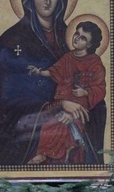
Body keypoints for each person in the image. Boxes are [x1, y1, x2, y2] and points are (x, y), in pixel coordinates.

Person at [0, 0, 107, 165]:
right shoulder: (11, 41)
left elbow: (92, 83)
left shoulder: (71, 37)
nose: (47, 0)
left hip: (72, 116)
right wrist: (59, 105)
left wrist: (80, 102)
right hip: (29, 125)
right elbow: (10, 99)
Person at [27, 20, 106, 165]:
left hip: (80, 105)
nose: (77, 38)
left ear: (89, 45)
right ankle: (45, 153)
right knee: (49, 124)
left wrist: (86, 91)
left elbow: (100, 87)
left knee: (63, 124)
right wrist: (39, 72)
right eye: (77, 33)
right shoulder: (68, 57)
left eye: (83, 38)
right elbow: (54, 71)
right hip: (61, 102)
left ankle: (51, 153)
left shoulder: (95, 62)